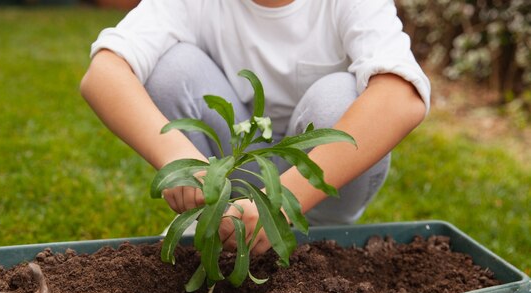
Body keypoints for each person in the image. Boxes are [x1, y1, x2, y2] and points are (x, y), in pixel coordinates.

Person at [80, 0, 430, 255]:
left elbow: (402, 96)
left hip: (320, 186)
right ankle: (222, 220)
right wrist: (180, 157)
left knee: (339, 97)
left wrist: (281, 203)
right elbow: (104, 72)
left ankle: (319, 241)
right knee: (170, 69)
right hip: (236, 169)